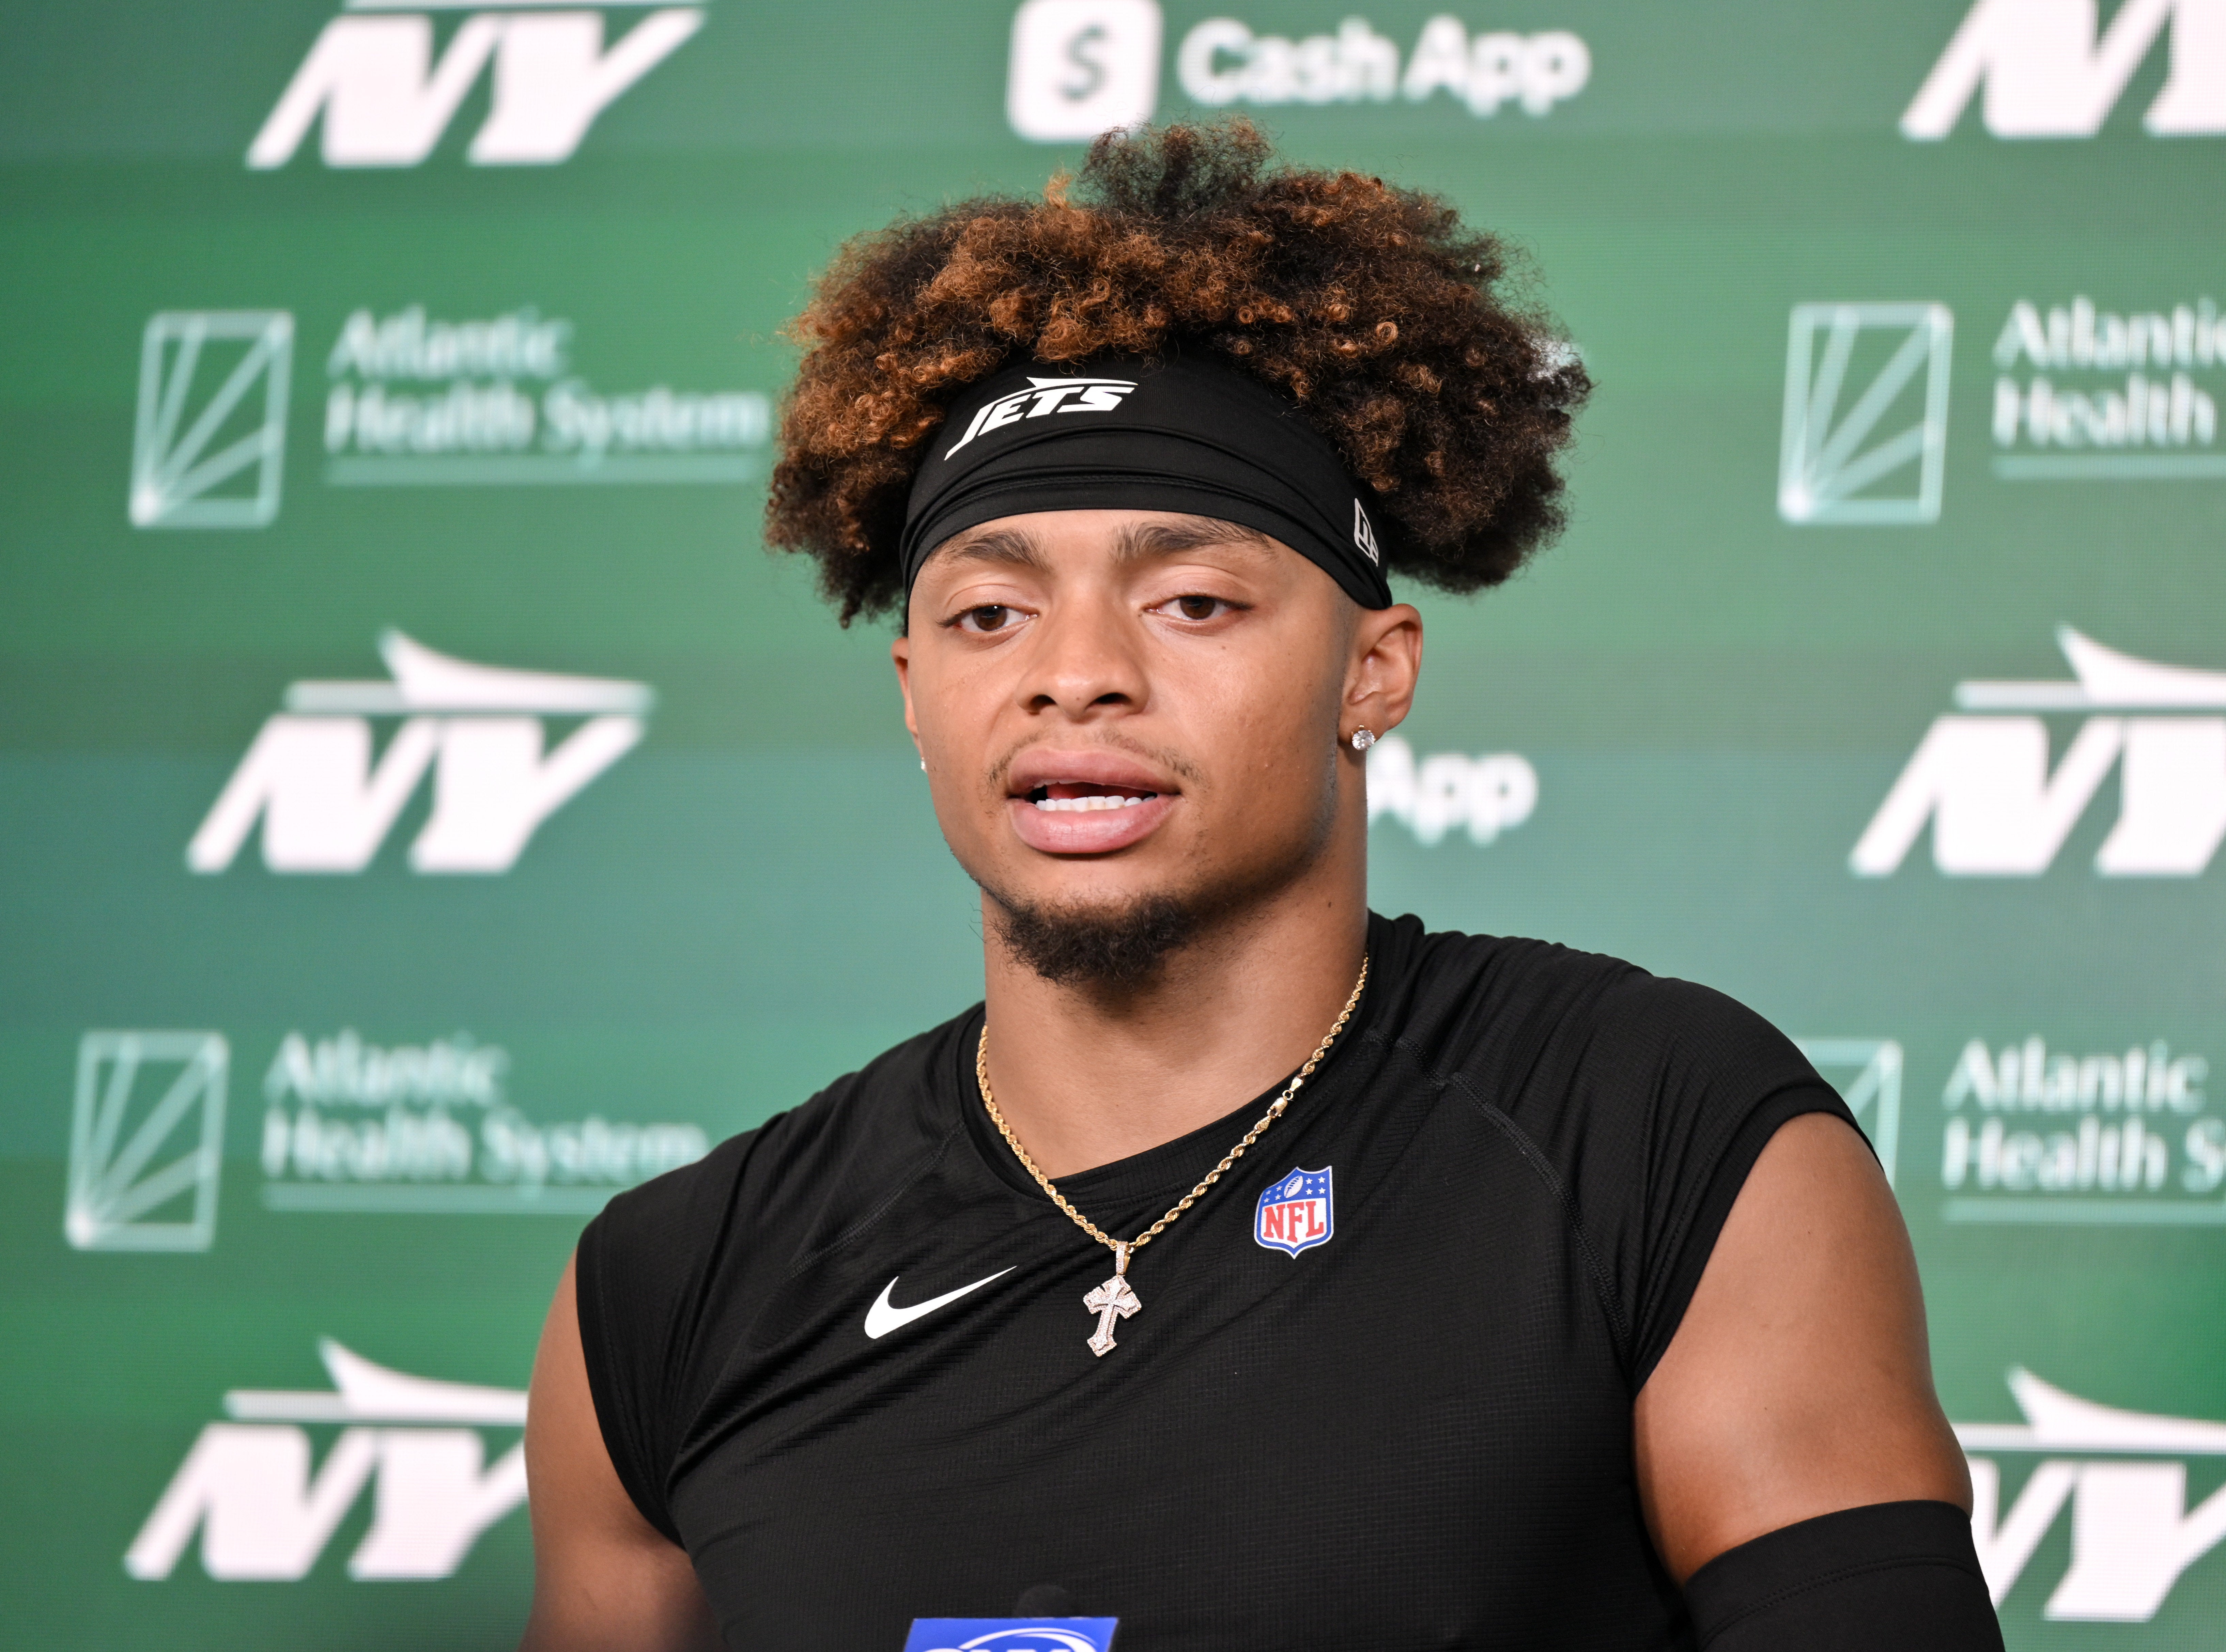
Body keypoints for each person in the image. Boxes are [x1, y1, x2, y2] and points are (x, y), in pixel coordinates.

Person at [520, 121, 2000, 1652]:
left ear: (1374, 671)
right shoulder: (671, 1286)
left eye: (1193, 600)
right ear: (913, 693)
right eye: (986, 614)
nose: (1074, 674)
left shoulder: (1654, 1133)